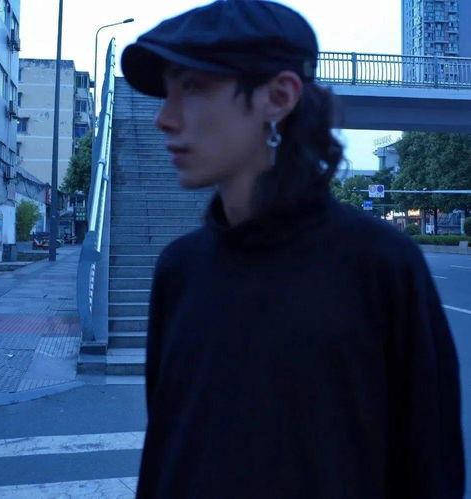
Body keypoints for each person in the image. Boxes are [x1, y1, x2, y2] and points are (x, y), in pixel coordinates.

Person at [121, 1, 465, 497]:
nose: (164, 119)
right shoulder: (181, 269)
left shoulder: (380, 264)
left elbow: (431, 467)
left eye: (192, 87)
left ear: (279, 97)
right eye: (166, 93)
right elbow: (164, 450)